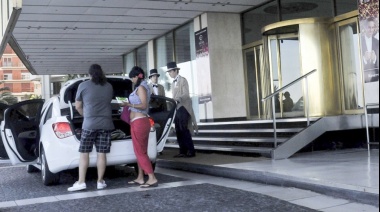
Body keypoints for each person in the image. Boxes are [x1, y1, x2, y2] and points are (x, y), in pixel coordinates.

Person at [68, 64, 114, 192]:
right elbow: (107, 102)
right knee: (102, 153)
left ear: (89, 74)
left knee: (84, 153)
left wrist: (86, 115)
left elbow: (77, 106)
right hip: (106, 124)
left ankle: (81, 182)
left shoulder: (83, 86)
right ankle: (100, 181)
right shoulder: (109, 86)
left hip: (89, 124)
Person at [120, 66, 158, 188]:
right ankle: (140, 177)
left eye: (132, 77)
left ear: (137, 76)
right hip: (139, 122)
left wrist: (128, 104)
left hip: (139, 121)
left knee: (140, 152)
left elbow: (143, 105)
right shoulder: (142, 87)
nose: (132, 80)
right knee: (140, 151)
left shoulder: (141, 87)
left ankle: (152, 178)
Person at [167, 62, 198, 158]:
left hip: (184, 107)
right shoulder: (173, 83)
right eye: (169, 72)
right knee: (178, 129)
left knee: (184, 128)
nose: (169, 73)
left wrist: (178, 98)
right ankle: (182, 151)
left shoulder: (183, 80)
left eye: (170, 71)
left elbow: (186, 94)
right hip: (177, 108)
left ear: (175, 70)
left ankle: (191, 151)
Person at [361, 17, 379, 83]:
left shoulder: (377, 42)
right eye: (369, 27)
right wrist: (364, 59)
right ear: (365, 27)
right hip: (363, 78)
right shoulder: (359, 41)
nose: (371, 30)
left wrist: (375, 59)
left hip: (375, 78)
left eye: (372, 27)